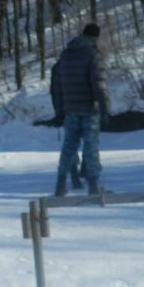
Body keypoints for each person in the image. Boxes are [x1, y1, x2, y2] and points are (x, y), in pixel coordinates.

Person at [52, 23, 111, 196]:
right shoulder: (93, 54)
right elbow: (99, 84)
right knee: (91, 145)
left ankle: (60, 185)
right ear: (95, 37)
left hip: (70, 108)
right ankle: (94, 186)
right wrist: (105, 107)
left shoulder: (65, 55)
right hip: (89, 108)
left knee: (69, 145)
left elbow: (57, 85)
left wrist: (59, 109)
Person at [48, 63, 84, 192]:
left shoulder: (59, 67)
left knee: (70, 144)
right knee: (86, 142)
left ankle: (75, 175)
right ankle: (78, 175)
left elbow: (54, 92)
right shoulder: (81, 64)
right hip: (81, 109)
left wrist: (58, 112)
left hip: (66, 110)